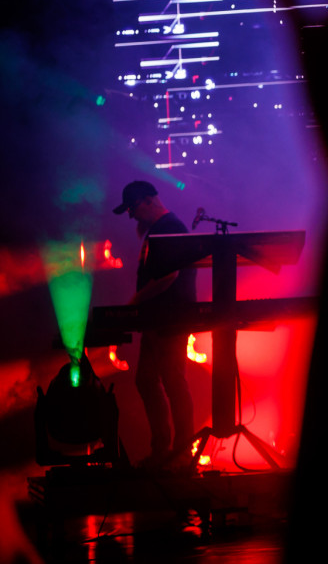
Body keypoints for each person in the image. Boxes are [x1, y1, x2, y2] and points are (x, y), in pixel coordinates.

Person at [113, 180, 197, 469]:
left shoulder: (170, 227)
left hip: (171, 318)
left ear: (149, 201)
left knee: (173, 381)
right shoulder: (159, 229)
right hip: (158, 319)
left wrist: (135, 300)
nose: (131, 216)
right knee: (148, 380)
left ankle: (181, 454)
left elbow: (169, 276)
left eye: (133, 208)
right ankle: (163, 451)